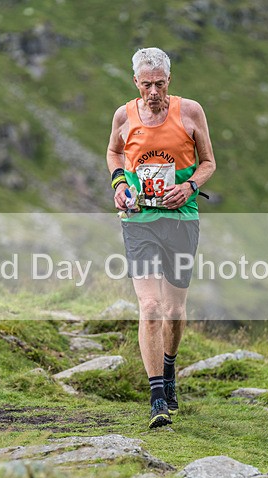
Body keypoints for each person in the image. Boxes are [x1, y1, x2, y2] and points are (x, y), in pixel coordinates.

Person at [106, 47, 216, 428]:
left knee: (173, 312)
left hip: (182, 220)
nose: (153, 91)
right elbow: (113, 152)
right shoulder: (124, 115)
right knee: (150, 307)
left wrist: (188, 188)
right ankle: (157, 398)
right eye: (146, 84)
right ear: (135, 82)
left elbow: (208, 163)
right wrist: (120, 183)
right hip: (139, 221)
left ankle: (169, 368)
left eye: (160, 83)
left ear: (170, 81)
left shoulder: (190, 112)